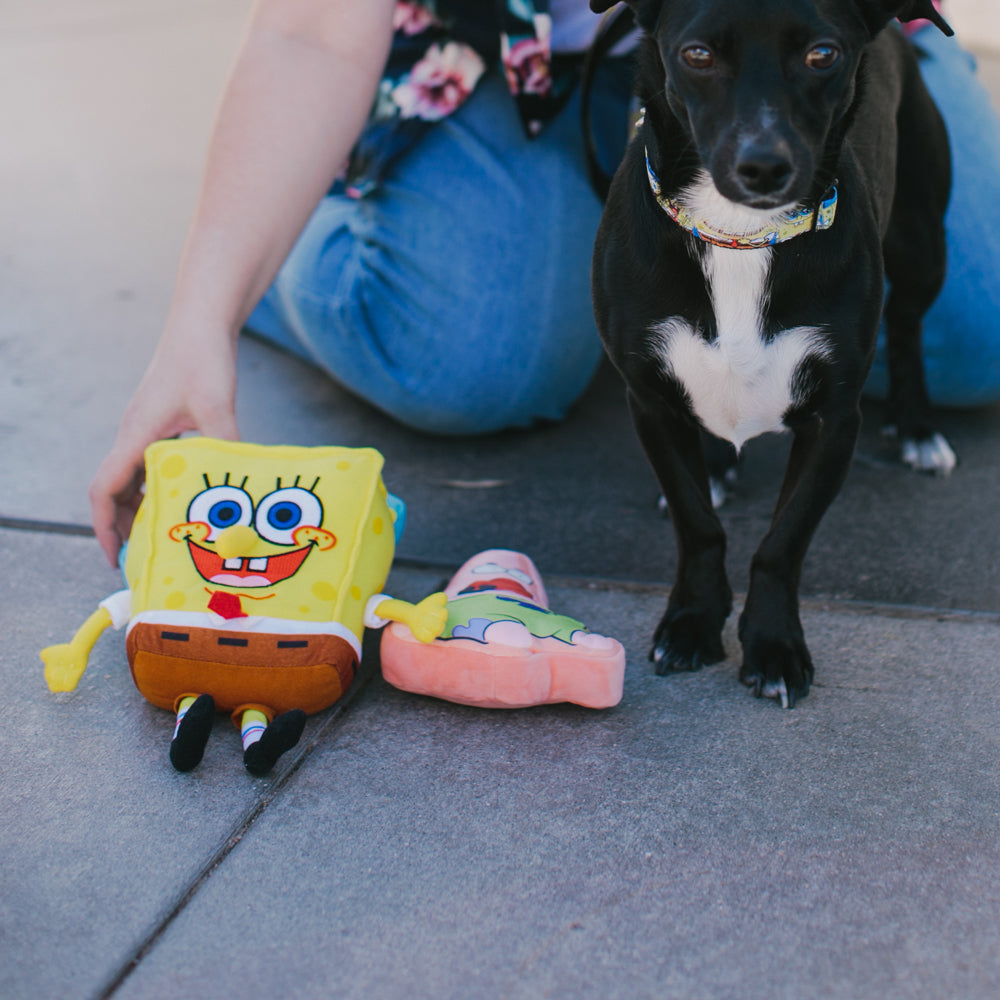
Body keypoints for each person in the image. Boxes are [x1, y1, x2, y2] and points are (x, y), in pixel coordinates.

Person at [89, 0, 1000, 567]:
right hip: (516, 60)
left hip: (813, 49)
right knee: (479, 356)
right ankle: (299, 241)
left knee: (976, 328)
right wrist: (202, 315)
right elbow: (312, 29)